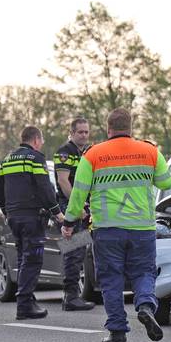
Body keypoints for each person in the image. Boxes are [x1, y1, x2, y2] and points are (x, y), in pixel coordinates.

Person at [62, 108, 171, 342]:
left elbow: (79, 193)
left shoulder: (93, 154)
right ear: (130, 127)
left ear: (108, 128)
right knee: (144, 272)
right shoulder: (150, 151)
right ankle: (145, 305)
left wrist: (69, 223)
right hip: (142, 227)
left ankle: (117, 332)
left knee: (111, 278)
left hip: (107, 228)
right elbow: (166, 182)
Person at [0, 126, 63, 320]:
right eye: (41, 141)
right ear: (36, 140)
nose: (41, 144)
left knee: (23, 258)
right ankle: (24, 305)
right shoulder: (36, 158)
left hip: (14, 218)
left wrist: (7, 211)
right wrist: (57, 212)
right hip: (32, 217)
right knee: (32, 260)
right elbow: (44, 187)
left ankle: (28, 300)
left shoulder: (7, 159)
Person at [53, 118, 95, 312]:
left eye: (86, 132)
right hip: (70, 206)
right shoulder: (65, 152)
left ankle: (72, 296)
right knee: (73, 252)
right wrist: (77, 206)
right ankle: (70, 297)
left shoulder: (86, 152)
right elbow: (63, 181)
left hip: (83, 206)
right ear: (71, 133)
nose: (84, 135)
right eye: (80, 132)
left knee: (79, 252)